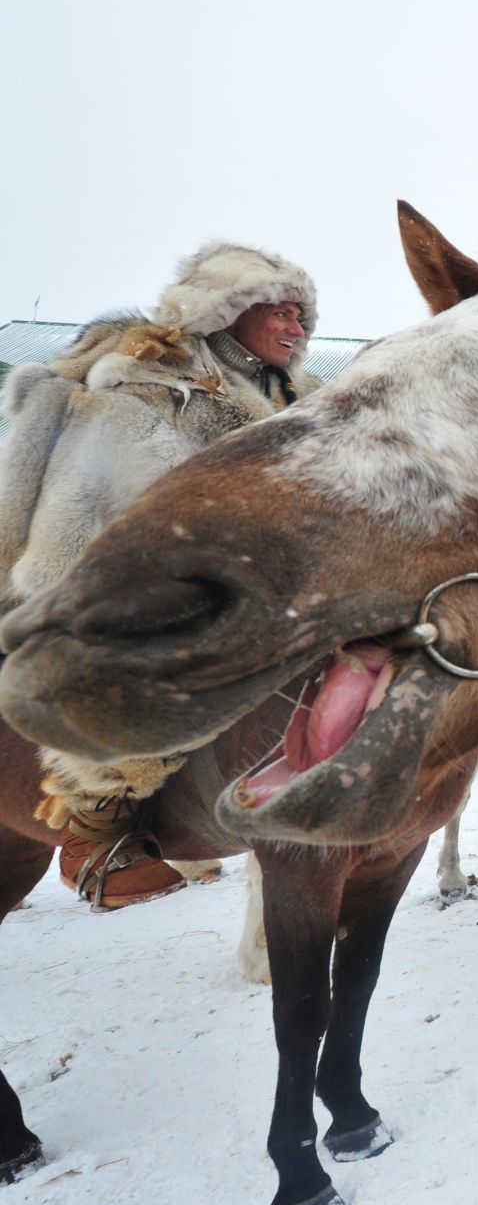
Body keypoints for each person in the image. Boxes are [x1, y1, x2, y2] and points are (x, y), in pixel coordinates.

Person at [0, 242, 319, 908]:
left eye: (302, 317)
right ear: (227, 311)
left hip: (280, 579)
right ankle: (99, 829)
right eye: (282, 313)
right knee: (160, 656)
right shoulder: (146, 384)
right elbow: (110, 493)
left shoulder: (305, 397)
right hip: (145, 570)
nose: (297, 328)